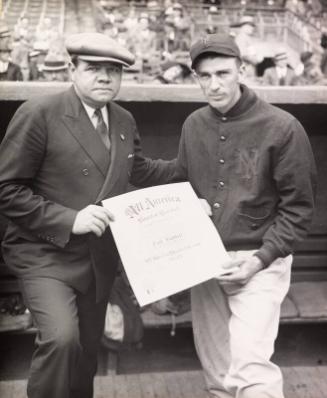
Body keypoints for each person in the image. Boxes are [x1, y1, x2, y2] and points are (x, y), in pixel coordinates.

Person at [0, 32, 174, 398]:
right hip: (45, 254)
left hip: (97, 259)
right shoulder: (39, 113)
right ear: (71, 69)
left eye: (114, 70)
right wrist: (69, 219)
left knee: (86, 353)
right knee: (62, 340)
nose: (105, 78)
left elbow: (137, 170)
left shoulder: (124, 119)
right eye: (94, 69)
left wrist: (193, 170)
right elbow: (7, 190)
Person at [173, 33, 316, 398]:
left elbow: (298, 209)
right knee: (218, 372)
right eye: (204, 76)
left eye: (223, 72)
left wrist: (259, 260)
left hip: (260, 258)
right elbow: (182, 183)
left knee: (251, 366)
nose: (214, 84)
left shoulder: (282, 126)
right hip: (207, 259)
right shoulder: (193, 124)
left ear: (241, 69)